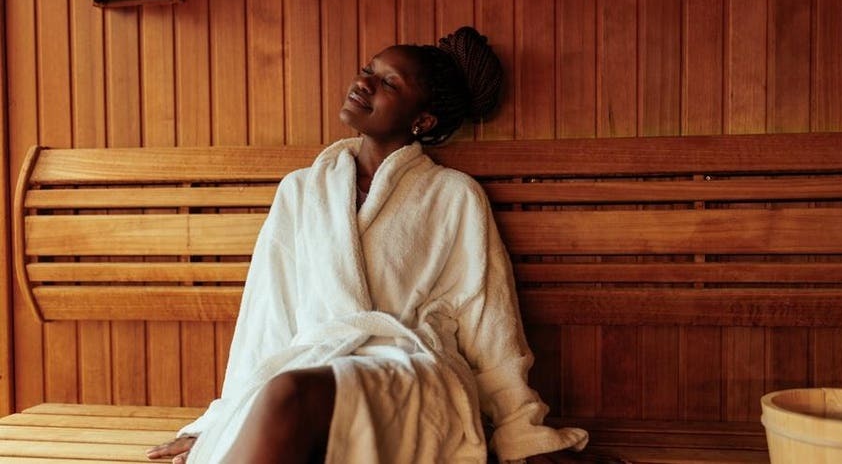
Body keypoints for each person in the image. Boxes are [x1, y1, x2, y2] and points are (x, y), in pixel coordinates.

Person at [146, 26, 588, 463]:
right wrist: (223, 419)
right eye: (368, 70)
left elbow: (488, 321)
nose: (364, 82)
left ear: (422, 120)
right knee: (286, 395)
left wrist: (519, 430)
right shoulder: (301, 190)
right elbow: (266, 317)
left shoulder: (454, 195)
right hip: (316, 367)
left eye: (389, 83)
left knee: (289, 393)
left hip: (410, 372)